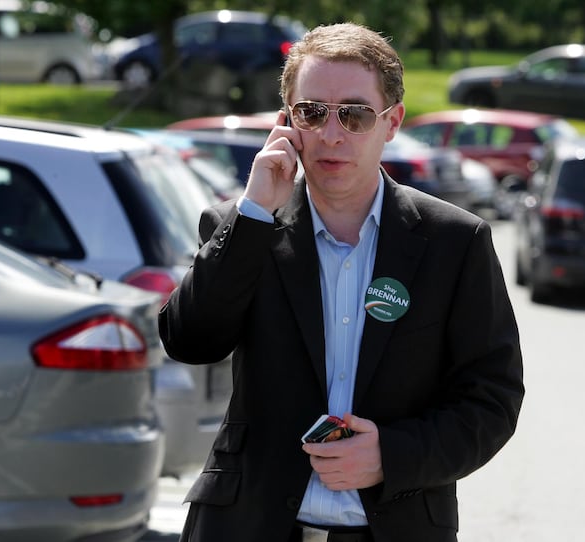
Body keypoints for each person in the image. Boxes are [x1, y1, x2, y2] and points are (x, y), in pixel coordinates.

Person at [158, 22, 524, 542]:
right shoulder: (244, 227)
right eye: (312, 113)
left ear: (391, 122)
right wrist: (255, 213)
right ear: (286, 121)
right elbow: (190, 341)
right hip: (248, 525)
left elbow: (492, 400)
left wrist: (390, 455)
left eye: (354, 115)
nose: (331, 134)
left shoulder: (454, 241)